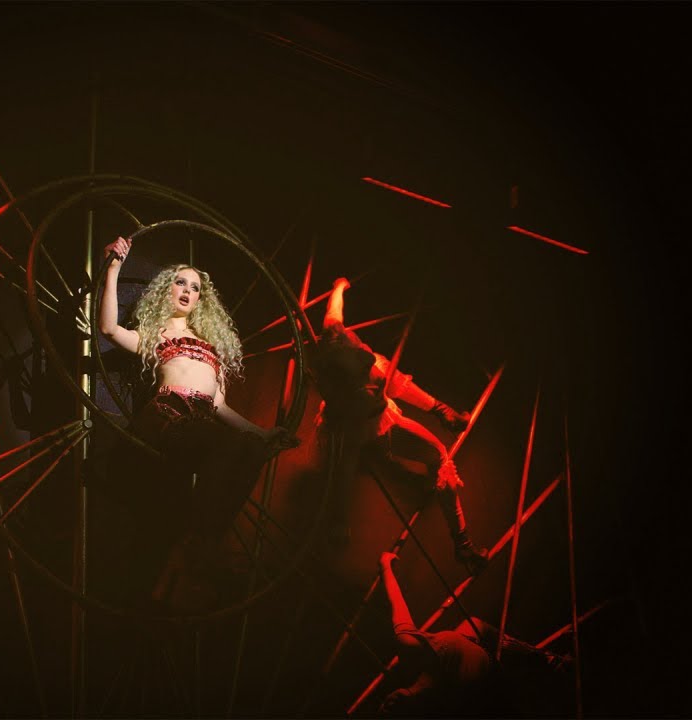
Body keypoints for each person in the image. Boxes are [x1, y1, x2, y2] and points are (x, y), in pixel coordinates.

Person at [98, 235, 296, 611]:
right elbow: (108, 329)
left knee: (252, 448)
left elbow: (220, 405)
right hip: (168, 415)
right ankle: (197, 542)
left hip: (202, 422)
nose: (188, 290)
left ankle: (202, 541)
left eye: (195, 287)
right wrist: (113, 269)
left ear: (201, 299)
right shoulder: (156, 334)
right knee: (227, 444)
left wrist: (263, 433)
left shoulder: (209, 347)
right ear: (166, 290)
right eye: (180, 282)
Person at [312, 277, 489, 573]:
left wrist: (339, 287)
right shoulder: (361, 391)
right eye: (361, 355)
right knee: (343, 475)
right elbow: (388, 386)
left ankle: (442, 412)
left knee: (437, 454)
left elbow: (333, 313)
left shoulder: (334, 335)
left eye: (358, 344)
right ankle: (340, 523)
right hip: (353, 430)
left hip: (373, 412)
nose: (365, 348)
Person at [377, 551, 572, 717]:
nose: (389, 702)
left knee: (474, 624)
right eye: (390, 707)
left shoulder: (408, 647)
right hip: (485, 675)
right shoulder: (432, 701)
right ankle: (546, 662)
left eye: (385, 702)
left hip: (467, 647)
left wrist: (385, 566)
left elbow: (396, 600)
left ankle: (545, 657)